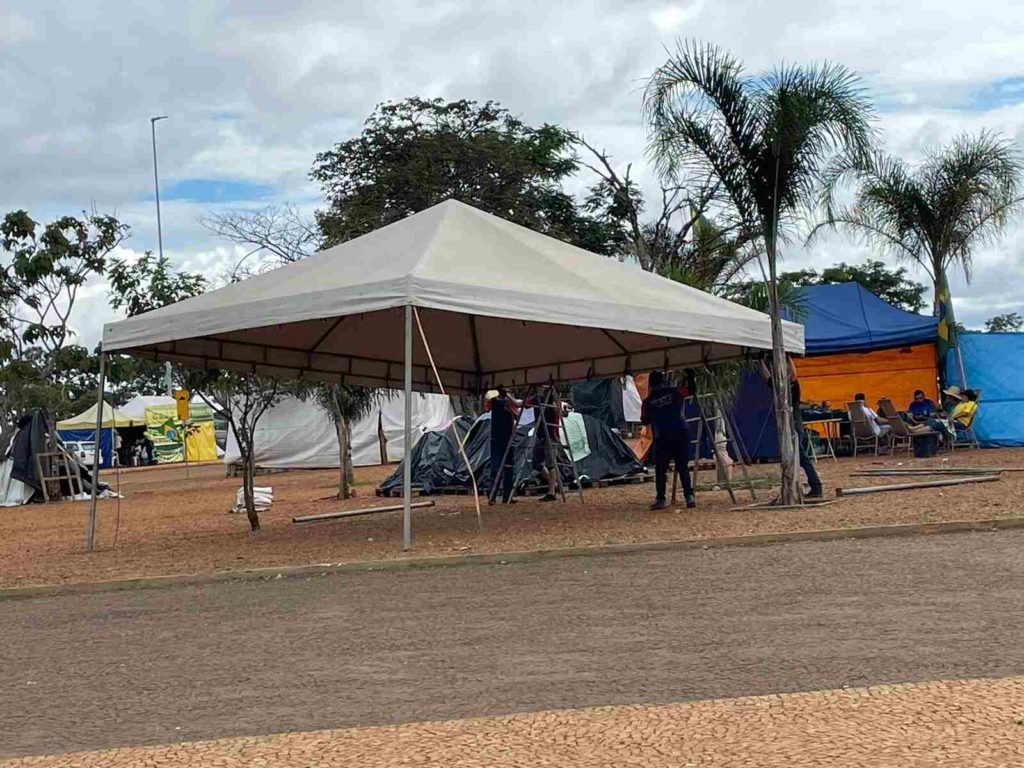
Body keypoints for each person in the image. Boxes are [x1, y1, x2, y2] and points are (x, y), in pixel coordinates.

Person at [758, 355, 823, 499]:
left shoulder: (793, 387)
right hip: (787, 427)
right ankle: (805, 486)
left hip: (794, 427)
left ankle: (816, 486)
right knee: (797, 459)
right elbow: (766, 377)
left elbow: (793, 374)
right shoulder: (779, 387)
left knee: (802, 458)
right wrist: (760, 361)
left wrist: (787, 358)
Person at [641, 370, 696, 510]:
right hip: (680, 432)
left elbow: (644, 420)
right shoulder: (674, 391)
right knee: (682, 467)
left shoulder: (647, 402)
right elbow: (691, 390)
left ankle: (660, 499)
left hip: (662, 437)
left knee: (660, 469)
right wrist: (690, 375)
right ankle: (689, 496)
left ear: (650, 385)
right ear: (663, 381)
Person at [525, 387, 563, 502]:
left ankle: (552, 492)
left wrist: (553, 401)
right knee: (536, 463)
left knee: (551, 463)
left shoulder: (554, 399)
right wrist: (509, 397)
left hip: (551, 435)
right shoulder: (536, 398)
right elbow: (523, 404)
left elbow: (557, 409)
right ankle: (554, 485)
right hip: (540, 435)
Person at [485, 387, 519, 504]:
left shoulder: (511, 402)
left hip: (509, 438)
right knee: (495, 468)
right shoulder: (493, 400)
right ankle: (492, 496)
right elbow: (487, 408)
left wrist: (509, 408)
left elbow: (517, 416)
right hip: (496, 438)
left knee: (509, 469)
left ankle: (507, 497)